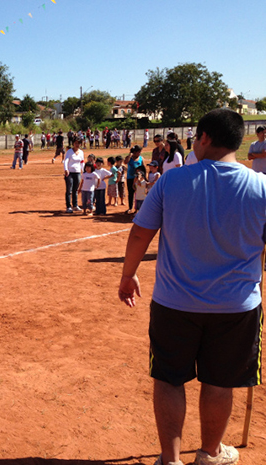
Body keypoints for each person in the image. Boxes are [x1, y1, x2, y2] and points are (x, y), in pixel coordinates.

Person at [118, 109, 260, 465]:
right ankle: (210, 454)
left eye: (196, 137)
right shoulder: (260, 187)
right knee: (220, 382)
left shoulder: (172, 181)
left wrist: (128, 274)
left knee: (169, 379)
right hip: (236, 307)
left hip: (174, 303)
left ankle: (170, 459)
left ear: (206, 138)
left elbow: (140, 233)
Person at [63, 139, 84, 213]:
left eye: (78, 143)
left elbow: (82, 162)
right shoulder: (69, 151)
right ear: (73, 144)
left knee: (75, 190)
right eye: (76, 143)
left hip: (77, 172)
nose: (77, 145)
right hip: (70, 173)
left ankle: (75, 205)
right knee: (69, 190)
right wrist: (66, 169)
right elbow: (66, 160)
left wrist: (84, 171)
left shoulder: (81, 152)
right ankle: (68, 206)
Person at [124, 145, 144, 213]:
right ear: (135, 152)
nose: (139, 153)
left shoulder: (141, 158)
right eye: (138, 152)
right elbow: (125, 162)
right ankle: (130, 207)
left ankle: (137, 208)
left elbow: (143, 168)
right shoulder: (130, 158)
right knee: (130, 192)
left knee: (138, 193)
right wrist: (130, 153)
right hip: (130, 177)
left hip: (138, 178)